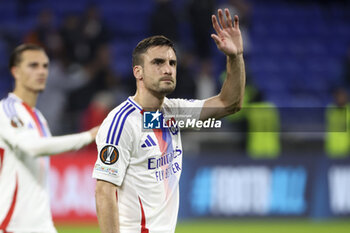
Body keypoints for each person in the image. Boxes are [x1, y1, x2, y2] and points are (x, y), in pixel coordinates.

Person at [93, 8, 245, 233]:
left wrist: (235, 56)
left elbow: (229, 103)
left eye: (172, 63)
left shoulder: (172, 113)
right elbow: (104, 191)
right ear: (138, 72)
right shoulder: (122, 123)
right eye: (158, 62)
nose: (167, 69)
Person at [0, 44, 98, 233]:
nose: (42, 71)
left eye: (45, 66)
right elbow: (32, 147)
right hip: (13, 226)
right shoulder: (7, 111)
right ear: (16, 72)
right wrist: (89, 136)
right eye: (33, 65)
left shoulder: (38, 117)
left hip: (42, 225)